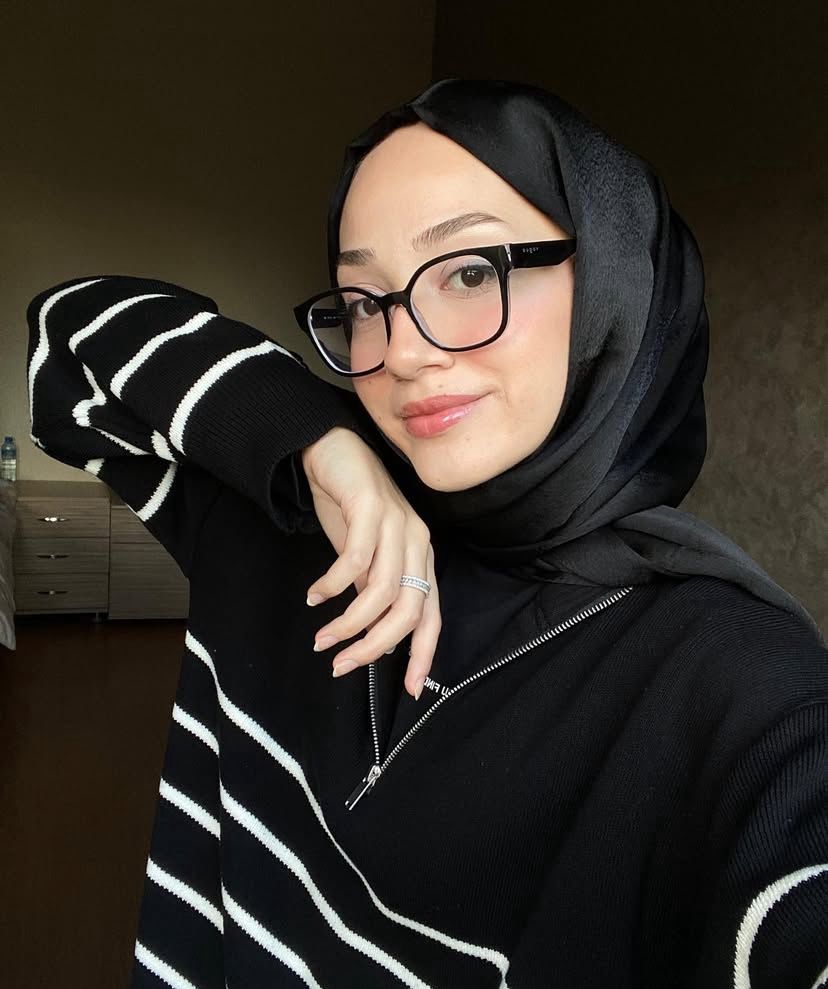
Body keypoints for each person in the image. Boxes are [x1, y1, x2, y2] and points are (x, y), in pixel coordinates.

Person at [26, 79, 826, 989]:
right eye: (362, 301)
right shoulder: (284, 518)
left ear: (618, 282)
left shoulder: (741, 689)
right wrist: (319, 442)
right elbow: (67, 343)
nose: (401, 352)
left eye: (470, 272)